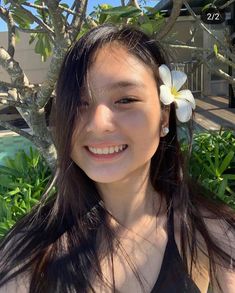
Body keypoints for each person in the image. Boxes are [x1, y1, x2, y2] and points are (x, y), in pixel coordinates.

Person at [0, 23, 234, 293]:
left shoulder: (211, 233)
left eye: (125, 100)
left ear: (164, 116)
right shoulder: (28, 253)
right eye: (79, 102)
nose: (98, 124)